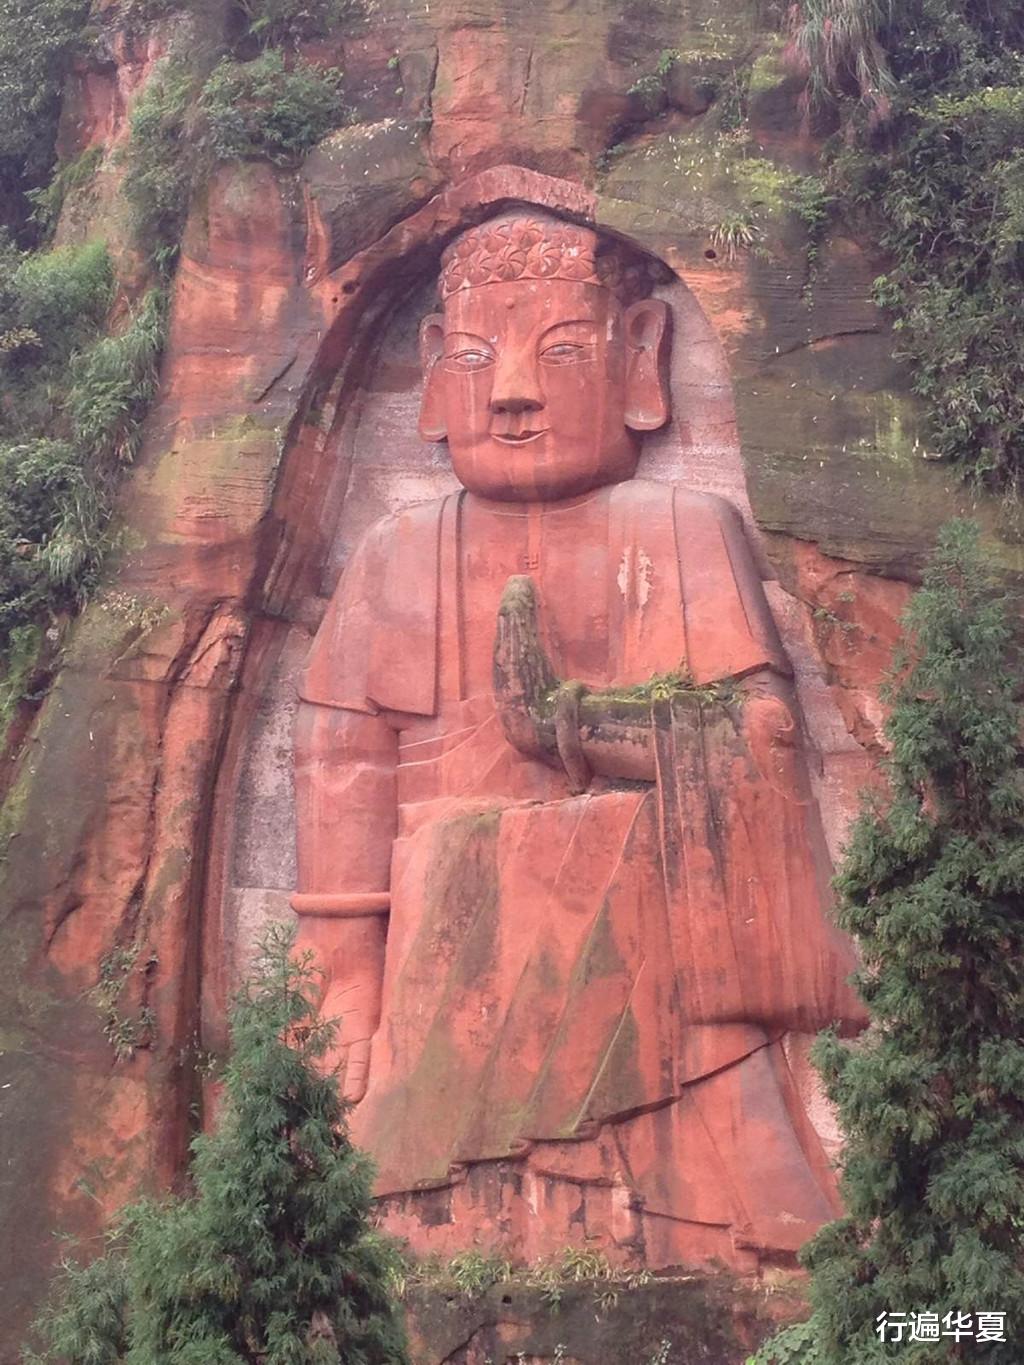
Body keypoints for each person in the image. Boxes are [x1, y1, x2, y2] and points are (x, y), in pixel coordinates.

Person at [292, 210, 865, 1269]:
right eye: (476, 358)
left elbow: (761, 740)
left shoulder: (680, 528)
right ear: (436, 369)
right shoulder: (394, 551)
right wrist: (340, 979)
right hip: (442, 957)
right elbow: (341, 768)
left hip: (647, 938)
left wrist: (572, 723)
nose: (511, 391)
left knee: (632, 852)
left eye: (558, 351)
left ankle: (723, 1206)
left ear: (640, 354)